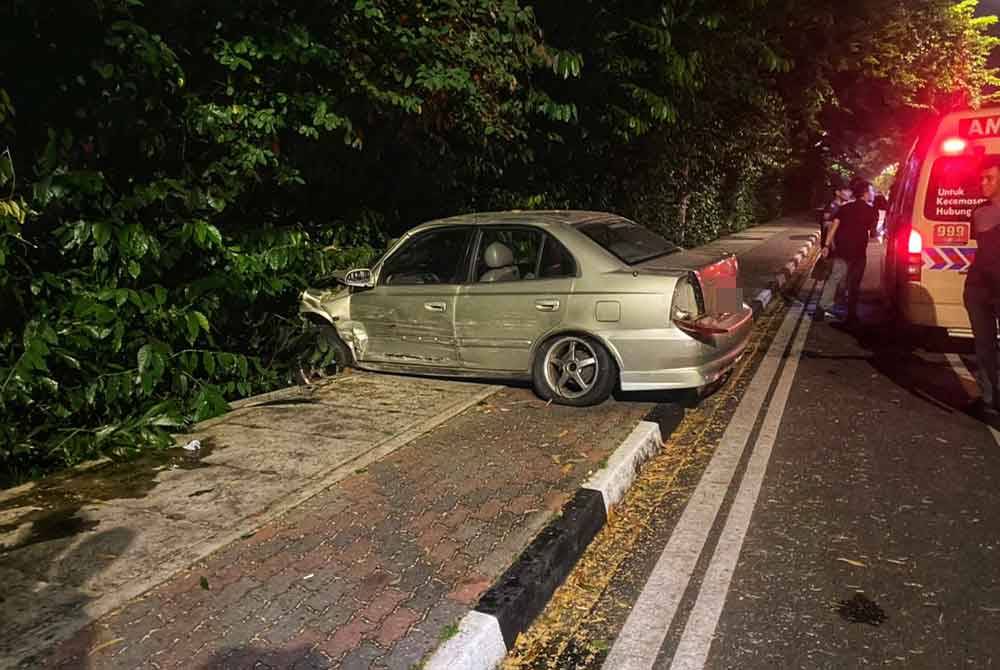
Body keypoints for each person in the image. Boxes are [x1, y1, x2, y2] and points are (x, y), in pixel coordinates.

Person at [963, 156, 1000, 412]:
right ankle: (989, 397)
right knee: (983, 344)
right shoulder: (978, 212)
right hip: (979, 288)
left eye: (990, 178)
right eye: (982, 178)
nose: (983, 182)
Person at [817, 180, 878, 323]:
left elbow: (834, 226)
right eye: (871, 190)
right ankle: (851, 314)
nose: (873, 193)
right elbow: (873, 233)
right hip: (858, 253)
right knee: (854, 284)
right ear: (865, 193)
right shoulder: (871, 211)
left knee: (835, 278)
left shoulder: (845, 208)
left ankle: (820, 309)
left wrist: (826, 245)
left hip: (842, 250)